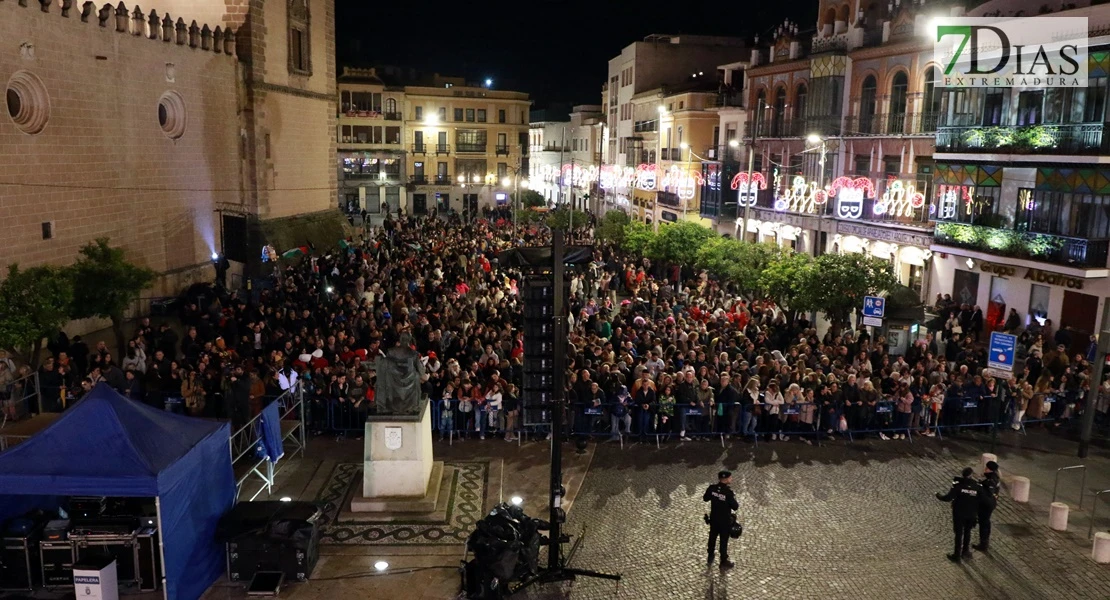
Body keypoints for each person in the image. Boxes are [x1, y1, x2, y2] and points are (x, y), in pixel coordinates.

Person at [936, 466, 983, 562]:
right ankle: (965, 551)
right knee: (967, 532)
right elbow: (982, 500)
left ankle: (956, 555)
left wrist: (938, 496)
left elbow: (948, 497)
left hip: (959, 514)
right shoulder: (977, 486)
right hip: (971, 514)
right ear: (971, 475)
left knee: (958, 534)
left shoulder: (958, 486)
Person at [703, 470, 739, 569]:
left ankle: (710, 555)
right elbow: (735, 506)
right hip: (725, 521)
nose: (731, 479)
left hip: (714, 519)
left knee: (712, 537)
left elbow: (705, 498)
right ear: (726, 479)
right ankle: (723, 561)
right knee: (723, 541)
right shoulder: (728, 492)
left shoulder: (712, 488)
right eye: (730, 478)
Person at [975, 460, 1001, 552]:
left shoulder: (990, 481)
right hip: (991, 504)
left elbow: (988, 493)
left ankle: (983, 544)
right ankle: (985, 542)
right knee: (986, 523)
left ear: (990, 470)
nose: (985, 469)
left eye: (986, 468)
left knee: (984, 523)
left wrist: (980, 488)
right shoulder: (995, 478)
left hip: (986, 506)